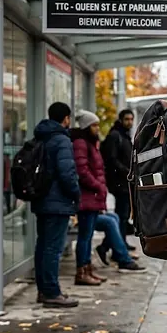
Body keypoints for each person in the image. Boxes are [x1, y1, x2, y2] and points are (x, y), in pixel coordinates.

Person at [31, 102, 81, 308]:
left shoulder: (41, 136)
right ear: (66, 118)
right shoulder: (61, 140)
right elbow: (67, 173)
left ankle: (43, 289)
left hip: (42, 199)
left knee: (42, 245)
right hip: (57, 201)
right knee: (53, 248)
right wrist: (76, 194)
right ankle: (52, 292)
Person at [71, 110, 108, 286]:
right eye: (94, 125)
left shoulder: (91, 143)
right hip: (87, 197)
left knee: (88, 235)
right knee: (84, 237)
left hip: (92, 197)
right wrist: (98, 186)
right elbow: (82, 170)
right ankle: (82, 272)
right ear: (86, 126)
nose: (97, 128)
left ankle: (88, 270)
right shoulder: (81, 143)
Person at [99, 109, 136, 257]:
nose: (130, 122)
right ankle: (113, 247)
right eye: (127, 119)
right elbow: (111, 159)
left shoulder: (124, 136)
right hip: (119, 182)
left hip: (125, 182)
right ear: (121, 120)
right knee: (121, 215)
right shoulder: (115, 136)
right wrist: (127, 171)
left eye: (131, 119)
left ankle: (120, 243)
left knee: (123, 215)